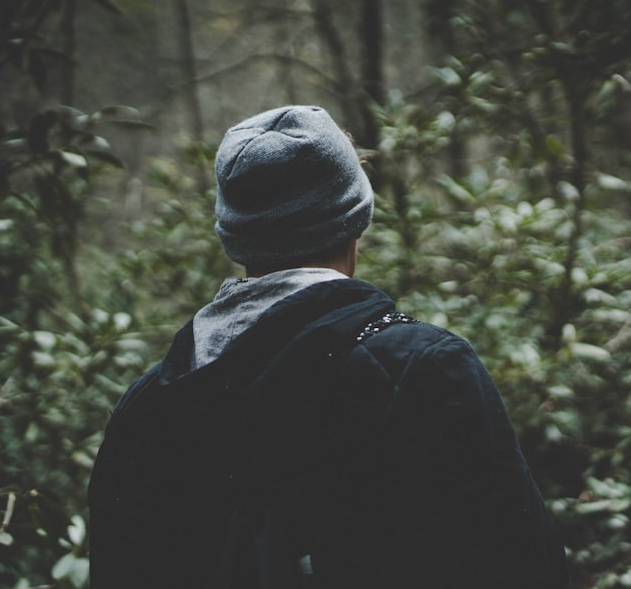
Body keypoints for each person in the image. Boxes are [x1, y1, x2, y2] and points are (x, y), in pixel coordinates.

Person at [88, 105, 568, 589]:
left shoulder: (143, 409)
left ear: (234, 236)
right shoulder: (424, 370)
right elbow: (525, 565)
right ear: (355, 222)